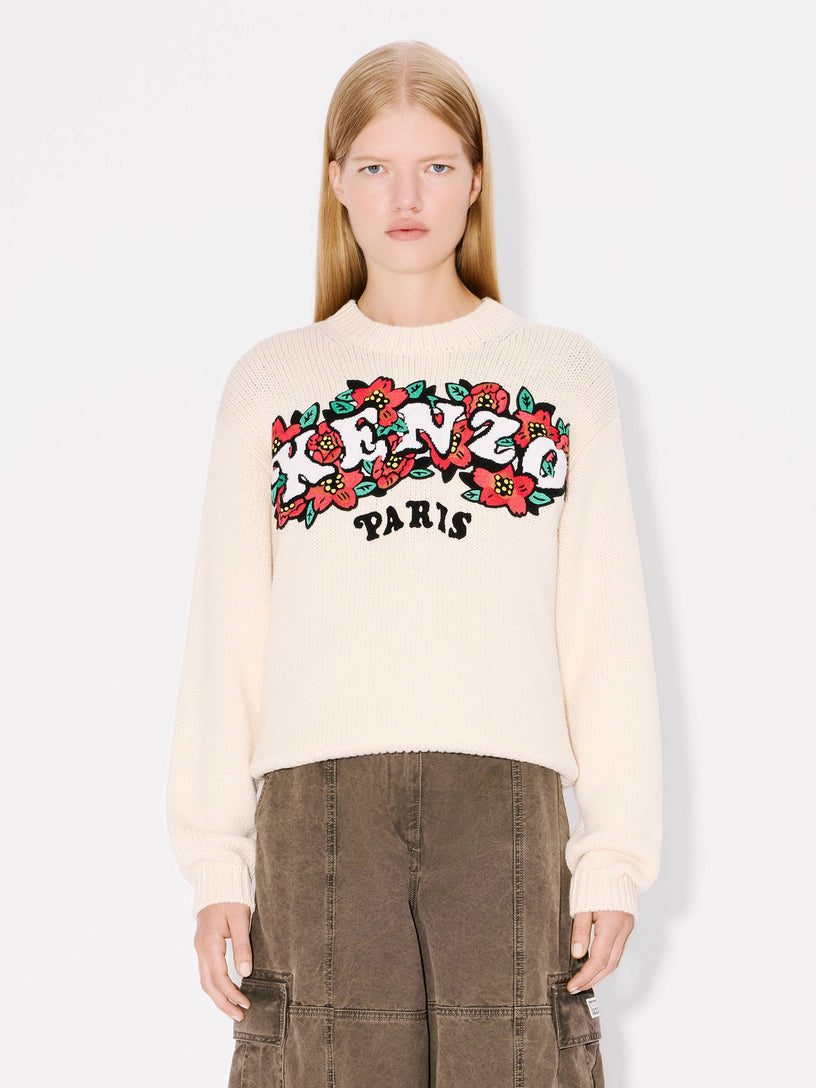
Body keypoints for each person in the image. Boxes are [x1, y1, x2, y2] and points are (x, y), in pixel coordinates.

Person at [166, 39, 662, 1088]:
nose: (407, 196)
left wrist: (614, 855)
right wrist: (216, 863)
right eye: (376, 166)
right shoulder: (275, 382)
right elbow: (227, 633)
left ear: (476, 180)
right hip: (317, 812)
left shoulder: (561, 377)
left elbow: (603, 628)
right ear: (336, 180)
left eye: (435, 165)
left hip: (508, 805)